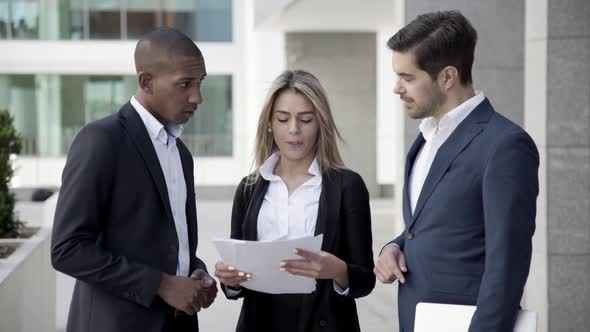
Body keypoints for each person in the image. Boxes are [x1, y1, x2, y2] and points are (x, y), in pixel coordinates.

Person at [373, 10, 539, 332]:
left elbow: (507, 264)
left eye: (408, 78)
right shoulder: (425, 139)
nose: (396, 88)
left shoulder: (505, 145)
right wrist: (394, 247)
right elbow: (433, 225)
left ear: (447, 77)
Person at [51, 27, 217, 332]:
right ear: (146, 82)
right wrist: (161, 284)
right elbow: (68, 249)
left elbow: (171, 244)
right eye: (185, 84)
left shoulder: (181, 153)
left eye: (200, 83)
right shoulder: (101, 141)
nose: (197, 96)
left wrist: (196, 272)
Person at [214, 70, 375, 332]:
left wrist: (336, 270)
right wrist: (231, 279)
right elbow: (237, 278)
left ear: (320, 122)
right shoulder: (249, 188)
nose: (294, 130)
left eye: (306, 119)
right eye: (282, 118)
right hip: (260, 323)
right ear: (269, 123)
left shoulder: (348, 186)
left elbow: (365, 279)